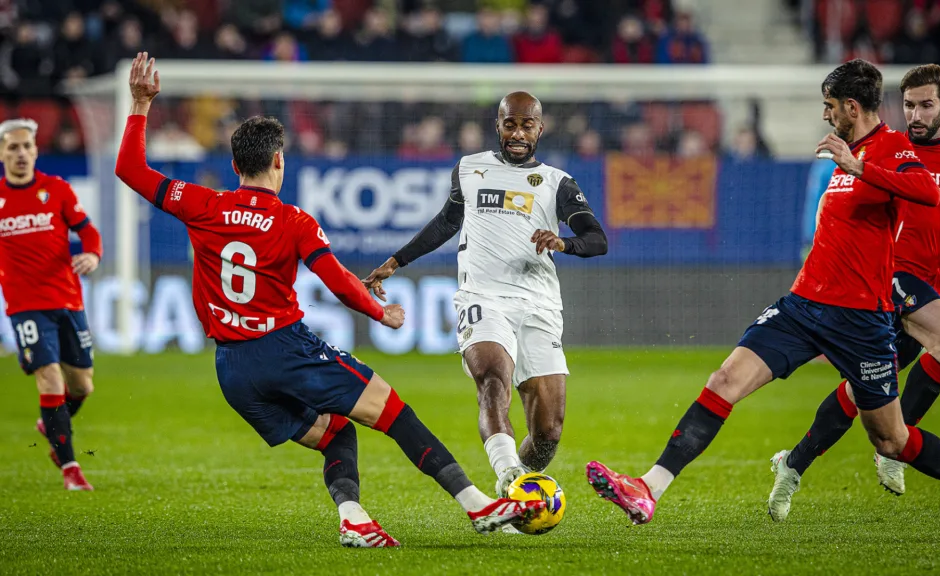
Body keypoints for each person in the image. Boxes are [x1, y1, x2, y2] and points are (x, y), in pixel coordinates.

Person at [114, 53, 542, 548]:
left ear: (234, 166)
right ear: (279, 161)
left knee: (336, 432)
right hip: (285, 350)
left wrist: (141, 104)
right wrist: (381, 312)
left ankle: (354, 518)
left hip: (232, 369)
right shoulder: (293, 221)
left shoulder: (200, 203)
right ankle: (478, 505)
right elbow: (337, 281)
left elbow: (128, 167)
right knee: (395, 412)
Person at [584, 59, 940, 542]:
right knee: (724, 379)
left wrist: (860, 167)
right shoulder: (845, 153)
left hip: (861, 321)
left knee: (892, 439)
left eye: (830, 107)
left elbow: (926, 190)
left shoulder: (892, 148)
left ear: (852, 107)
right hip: (802, 307)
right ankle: (648, 488)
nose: (825, 115)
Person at [362, 92, 607, 526]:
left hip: (539, 304)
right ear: (498, 126)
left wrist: (564, 242)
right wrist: (397, 261)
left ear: (539, 130)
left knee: (548, 432)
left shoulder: (557, 182)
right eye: (509, 124)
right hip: (482, 297)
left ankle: (517, 499)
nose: (517, 133)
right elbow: (445, 222)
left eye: (525, 126)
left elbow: (597, 239)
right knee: (493, 378)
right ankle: (509, 476)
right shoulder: (470, 168)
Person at [769, 63, 940, 510]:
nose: (915, 115)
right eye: (909, 105)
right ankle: (896, 447)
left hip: (937, 284)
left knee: (865, 387)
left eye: (925, 106)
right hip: (894, 275)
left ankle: (794, 463)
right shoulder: (890, 148)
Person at [0, 118, 102, 491]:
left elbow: (88, 230)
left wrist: (92, 254)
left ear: (36, 150)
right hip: (25, 306)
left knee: (83, 385)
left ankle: (52, 423)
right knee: (50, 377)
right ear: (2, 153)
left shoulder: (56, 189)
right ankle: (71, 469)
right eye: (13, 147)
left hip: (67, 300)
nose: (21, 153)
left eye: (26, 146)